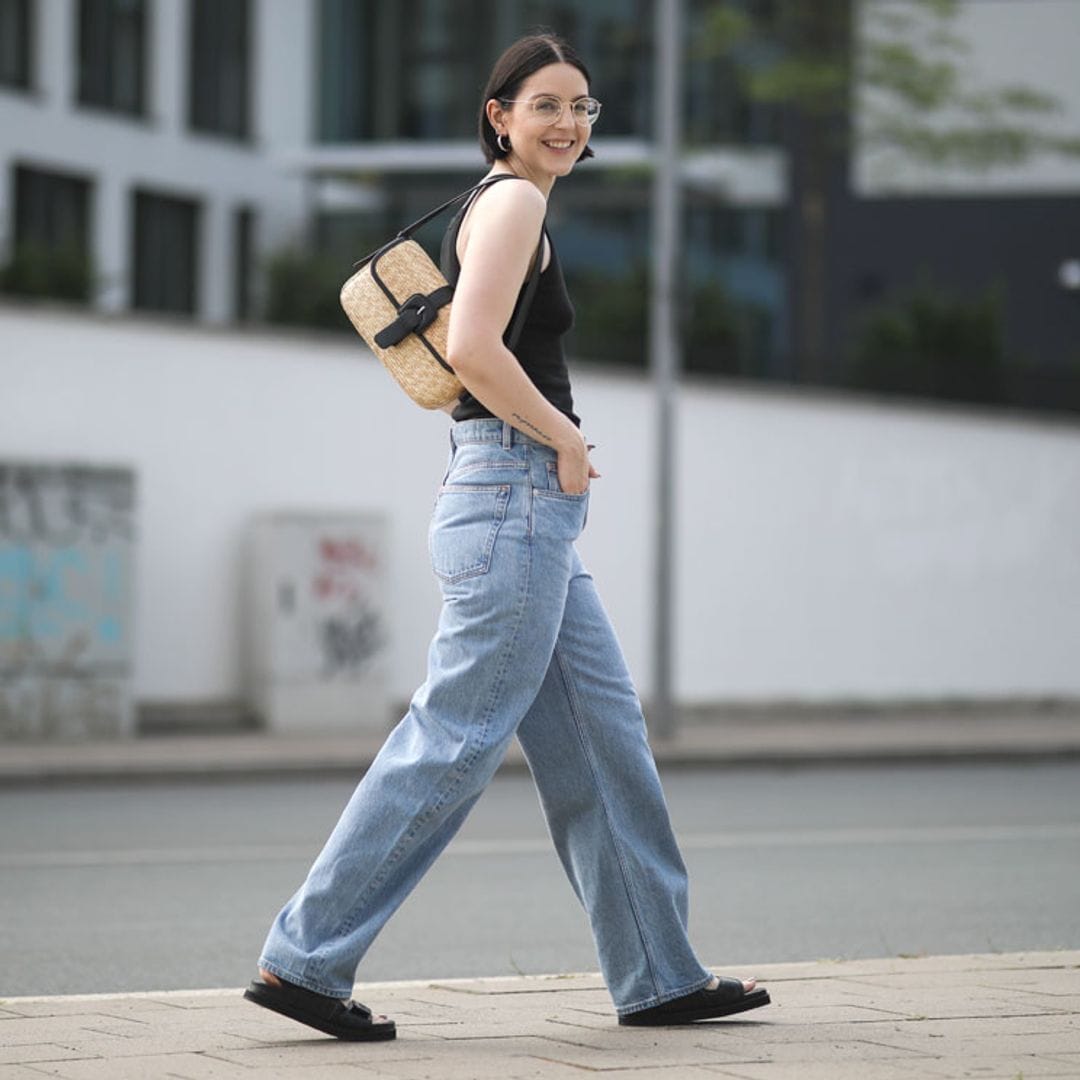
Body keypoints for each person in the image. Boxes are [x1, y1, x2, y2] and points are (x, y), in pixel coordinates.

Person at [244, 31, 770, 1041]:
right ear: (500, 116)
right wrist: (566, 439)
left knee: (606, 747)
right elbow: (475, 350)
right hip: (515, 500)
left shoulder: (504, 203)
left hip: (524, 516)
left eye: (583, 108)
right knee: (455, 737)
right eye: (547, 106)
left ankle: (660, 974)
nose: (569, 124)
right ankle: (305, 960)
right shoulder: (515, 201)